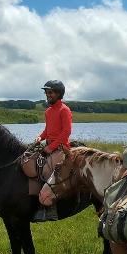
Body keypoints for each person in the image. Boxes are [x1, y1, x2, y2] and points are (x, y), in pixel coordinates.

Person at [33, 79, 72, 221]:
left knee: (47, 172)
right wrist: (40, 137)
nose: (48, 95)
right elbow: (47, 130)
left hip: (61, 149)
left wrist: (50, 148)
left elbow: (66, 133)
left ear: (59, 94)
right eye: (46, 93)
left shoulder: (65, 110)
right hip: (49, 147)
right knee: (32, 166)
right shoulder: (48, 111)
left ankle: (51, 209)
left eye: (50, 93)